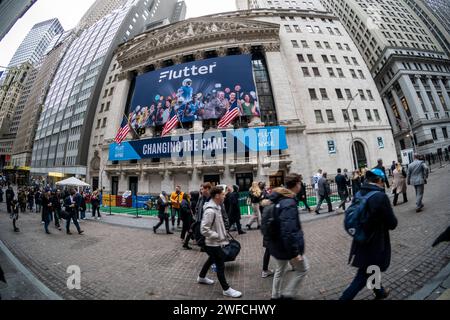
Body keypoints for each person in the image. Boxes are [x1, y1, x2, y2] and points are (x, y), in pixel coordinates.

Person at [339, 168, 397, 300]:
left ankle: (379, 292)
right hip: (374, 242)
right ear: (380, 180)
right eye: (383, 181)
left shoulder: (359, 193)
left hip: (361, 239)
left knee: (370, 269)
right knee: (361, 277)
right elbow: (392, 223)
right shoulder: (380, 197)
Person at [267, 174, 309, 300]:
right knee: (303, 269)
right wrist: (295, 252)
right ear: (296, 184)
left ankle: (275, 295)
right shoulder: (288, 202)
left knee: (280, 270)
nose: (300, 186)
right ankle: (289, 294)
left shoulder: (278, 198)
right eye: (300, 183)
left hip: (277, 243)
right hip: (286, 246)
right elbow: (288, 231)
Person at [197, 186, 242, 298]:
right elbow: (204, 229)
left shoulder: (217, 207)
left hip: (216, 242)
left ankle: (201, 277)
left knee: (211, 260)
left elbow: (217, 225)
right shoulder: (210, 210)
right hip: (213, 243)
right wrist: (217, 236)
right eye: (223, 194)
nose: (224, 195)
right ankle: (226, 289)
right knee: (220, 265)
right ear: (217, 196)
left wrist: (223, 233)